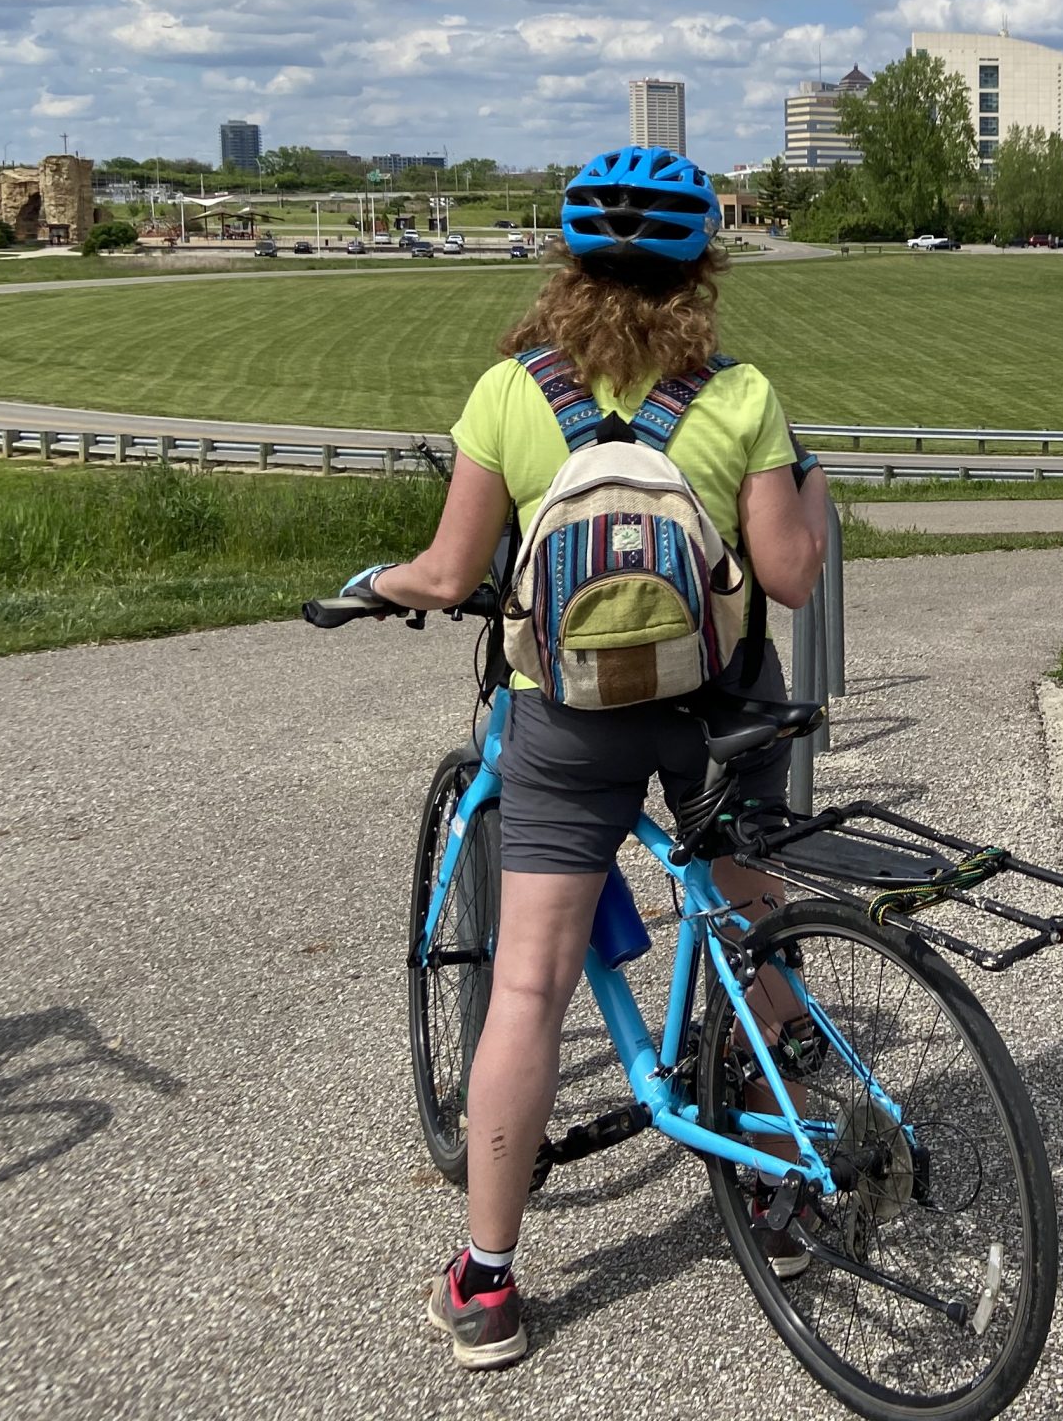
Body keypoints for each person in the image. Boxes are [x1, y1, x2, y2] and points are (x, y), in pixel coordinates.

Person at [333, 146, 831, 1366]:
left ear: (565, 262)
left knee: (528, 987)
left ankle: (490, 1283)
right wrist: (811, 491)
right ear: (702, 262)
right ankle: (780, 1192)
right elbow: (788, 576)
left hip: (562, 718)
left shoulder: (513, 391)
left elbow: (451, 576)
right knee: (748, 928)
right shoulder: (741, 393)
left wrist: (373, 587)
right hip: (721, 705)